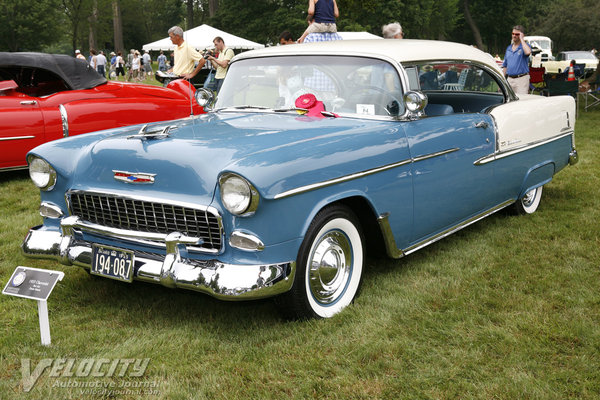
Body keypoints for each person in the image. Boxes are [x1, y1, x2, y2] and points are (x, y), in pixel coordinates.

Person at [502, 25, 532, 95]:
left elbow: (528, 52)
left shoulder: (525, 46)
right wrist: (503, 80)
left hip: (521, 79)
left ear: (521, 35)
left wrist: (522, 39)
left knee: (521, 101)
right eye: (513, 34)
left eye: (517, 34)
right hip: (509, 79)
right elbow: (505, 66)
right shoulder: (508, 48)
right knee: (509, 102)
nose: (514, 36)